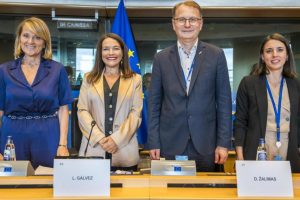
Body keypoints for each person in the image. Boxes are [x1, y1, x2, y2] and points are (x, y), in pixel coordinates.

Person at [148, 0, 232, 172]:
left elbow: (224, 103)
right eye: (181, 19)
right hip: (169, 143)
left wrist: (223, 143)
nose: (187, 24)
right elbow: (154, 104)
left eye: (192, 19)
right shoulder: (161, 58)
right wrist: (153, 141)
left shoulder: (216, 55)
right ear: (173, 24)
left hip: (206, 145)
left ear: (200, 23)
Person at [0, 17, 73, 168]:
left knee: (48, 184)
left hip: (48, 135)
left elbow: (63, 109)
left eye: (37, 37)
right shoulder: (4, 70)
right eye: (26, 35)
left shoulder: (57, 70)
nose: (31, 42)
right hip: (12, 136)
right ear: (19, 39)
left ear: (44, 41)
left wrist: (63, 144)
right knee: (13, 184)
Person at [234, 33, 300, 172]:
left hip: (289, 149)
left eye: (280, 50)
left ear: (287, 56)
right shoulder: (249, 83)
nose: (274, 55)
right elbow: (240, 122)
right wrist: (240, 156)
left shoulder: (296, 85)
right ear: (263, 57)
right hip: (258, 149)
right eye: (269, 51)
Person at [77, 33, 142, 171]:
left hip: (125, 151)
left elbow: (135, 114)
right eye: (106, 49)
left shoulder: (135, 79)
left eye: (115, 48)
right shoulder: (88, 78)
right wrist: (100, 138)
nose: (111, 53)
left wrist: (116, 140)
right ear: (100, 53)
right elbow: (82, 111)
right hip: (94, 149)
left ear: (123, 52)